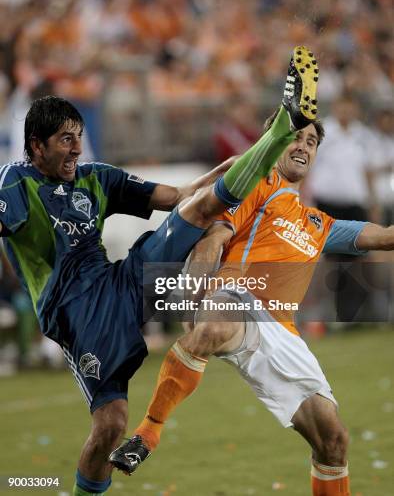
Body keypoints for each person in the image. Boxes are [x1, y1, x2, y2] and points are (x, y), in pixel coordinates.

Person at [0, 45, 318, 496]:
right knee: (111, 425)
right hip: (76, 314)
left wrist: (255, 154)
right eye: (65, 140)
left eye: (78, 136)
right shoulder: (15, 182)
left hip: (124, 280)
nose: (76, 149)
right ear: (36, 146)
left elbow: (182, 194)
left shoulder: (96, 177)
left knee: (203, 207)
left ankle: (280, 132)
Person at [113, 104, 394, 496]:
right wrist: (194, 298)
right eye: (295, 136)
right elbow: (214, 239)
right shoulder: (256, 185)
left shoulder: (320, 224)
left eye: (311, 141)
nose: (303, 145)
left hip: (282, 333)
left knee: (333, 442)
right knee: (218, 322)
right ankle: (147, 435)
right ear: (275, 143)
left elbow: (385, 236)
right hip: (237, 299)